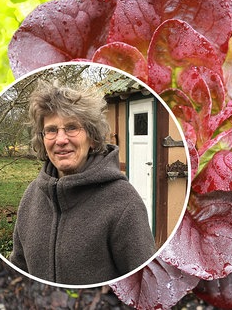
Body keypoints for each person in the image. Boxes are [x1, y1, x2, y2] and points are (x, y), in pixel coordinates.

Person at [9, 80, 156, 285]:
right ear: (42, 139)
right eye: (51, 130)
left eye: (71, 128)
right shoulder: (32, 196)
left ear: (93, 138)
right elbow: (19, 270)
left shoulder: (124, 202)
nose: (61, 139)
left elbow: (145, 286)